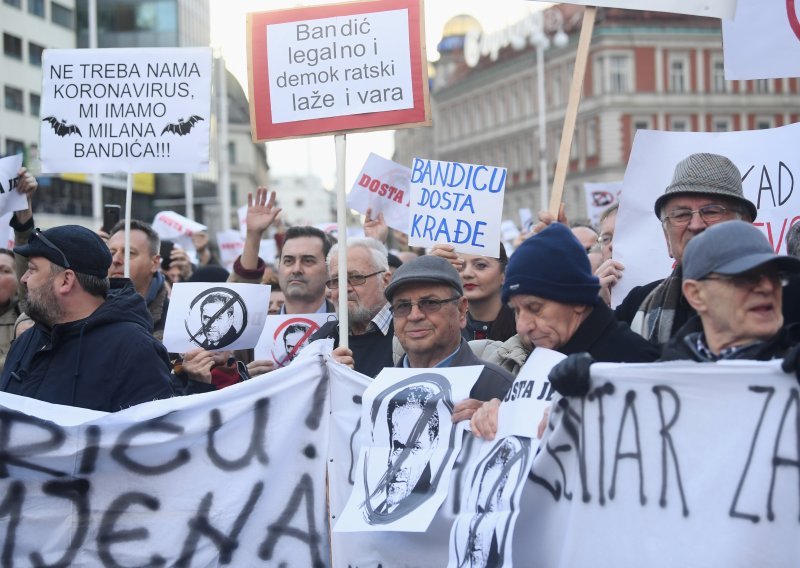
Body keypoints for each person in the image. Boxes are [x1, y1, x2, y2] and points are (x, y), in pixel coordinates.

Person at [549, 221, 800, 397]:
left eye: (775, 276)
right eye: (746, 277)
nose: (767, 287)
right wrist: (588, 393)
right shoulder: (659, 373)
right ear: (696, 295)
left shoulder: (792, 370)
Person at [468, 223, 660, 439]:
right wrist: (501, 413)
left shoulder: (634, 364)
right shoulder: (543, 354)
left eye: (534, 308)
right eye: (516, 310)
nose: (522, 325)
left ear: (578, 300)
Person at [1, 226, 173, 411]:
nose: (24, 279)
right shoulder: (27, 340)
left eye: (32, 270)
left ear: (66, 280)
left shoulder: (135, 351)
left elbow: (149, 434)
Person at [604, 153, 758, 345]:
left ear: (744, 226)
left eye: (711, 211)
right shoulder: (636, 304)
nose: (695, 225)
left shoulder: (785, 300)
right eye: (681, 215)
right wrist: (594, 305)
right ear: (667, 237)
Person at [384, 255, 515, 418]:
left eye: (430, 303)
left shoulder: (503, 390)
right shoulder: (375, 392)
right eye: (403, 306)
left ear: (461, 310)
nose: (414, 316)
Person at [229, 188, 335, 314]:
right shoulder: (260, 329)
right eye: (288, 261)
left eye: (308, 261)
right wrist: (253, 235)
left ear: (330, 270)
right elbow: (242, 291)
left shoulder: (347, 328)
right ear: (279, 267)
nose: (296, 269)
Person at [309, 237, 395, 378]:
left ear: (385, 280)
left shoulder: (408, 330)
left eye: (356, 277)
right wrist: (321, 375)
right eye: (336, 280)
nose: (344, 288)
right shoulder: (323, 339)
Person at [431, 244, 516, 343]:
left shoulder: (524, 327)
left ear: (504, 274)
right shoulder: (447, 329)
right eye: (460, 266)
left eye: (480, 265)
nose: (467, 273)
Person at [107, 219, 170, 340]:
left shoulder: (175, 319)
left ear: (154, 263)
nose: (116, 259)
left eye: (129, 253)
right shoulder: (88, 312)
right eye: (111, 252)